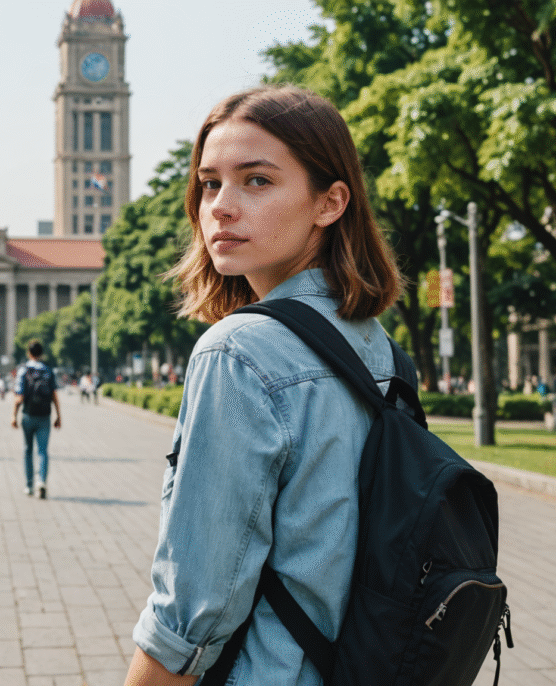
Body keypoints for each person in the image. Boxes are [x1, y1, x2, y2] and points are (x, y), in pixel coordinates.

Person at [123, 85, 403, 685]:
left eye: (256, 181)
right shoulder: (376, 343)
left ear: (329, 204)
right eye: (209, 182)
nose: (220, 206)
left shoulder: (237, 351)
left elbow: (191, 610)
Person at [11, 339, 63, 499]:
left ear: (29, 353)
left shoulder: (23, 371)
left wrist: (14, 416)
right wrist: (58, 416)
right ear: (41, 354)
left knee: (28, 450)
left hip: (28, 414)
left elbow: (19, 397)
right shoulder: (48, 370)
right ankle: (42, 481)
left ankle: (29, 486)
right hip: (44, 416)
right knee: (43, 451)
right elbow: (54, 395)